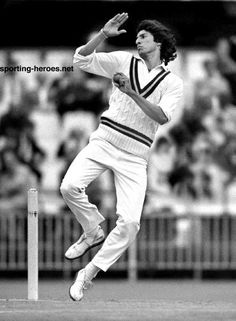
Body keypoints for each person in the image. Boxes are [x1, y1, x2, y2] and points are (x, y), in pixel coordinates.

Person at [60, 12, 183, 301]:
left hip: (135, 155)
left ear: (159, 42)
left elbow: (162, 117)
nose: (137, 40)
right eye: (137, 36)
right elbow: (80, 60)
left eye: (144, 36)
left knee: (130, 224)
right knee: (68, 187)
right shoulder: (124, 60)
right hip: (104, 140)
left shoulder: (172, 82)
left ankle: (87, 274)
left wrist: (131, 93)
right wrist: (102, 35)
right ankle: (92, 230)